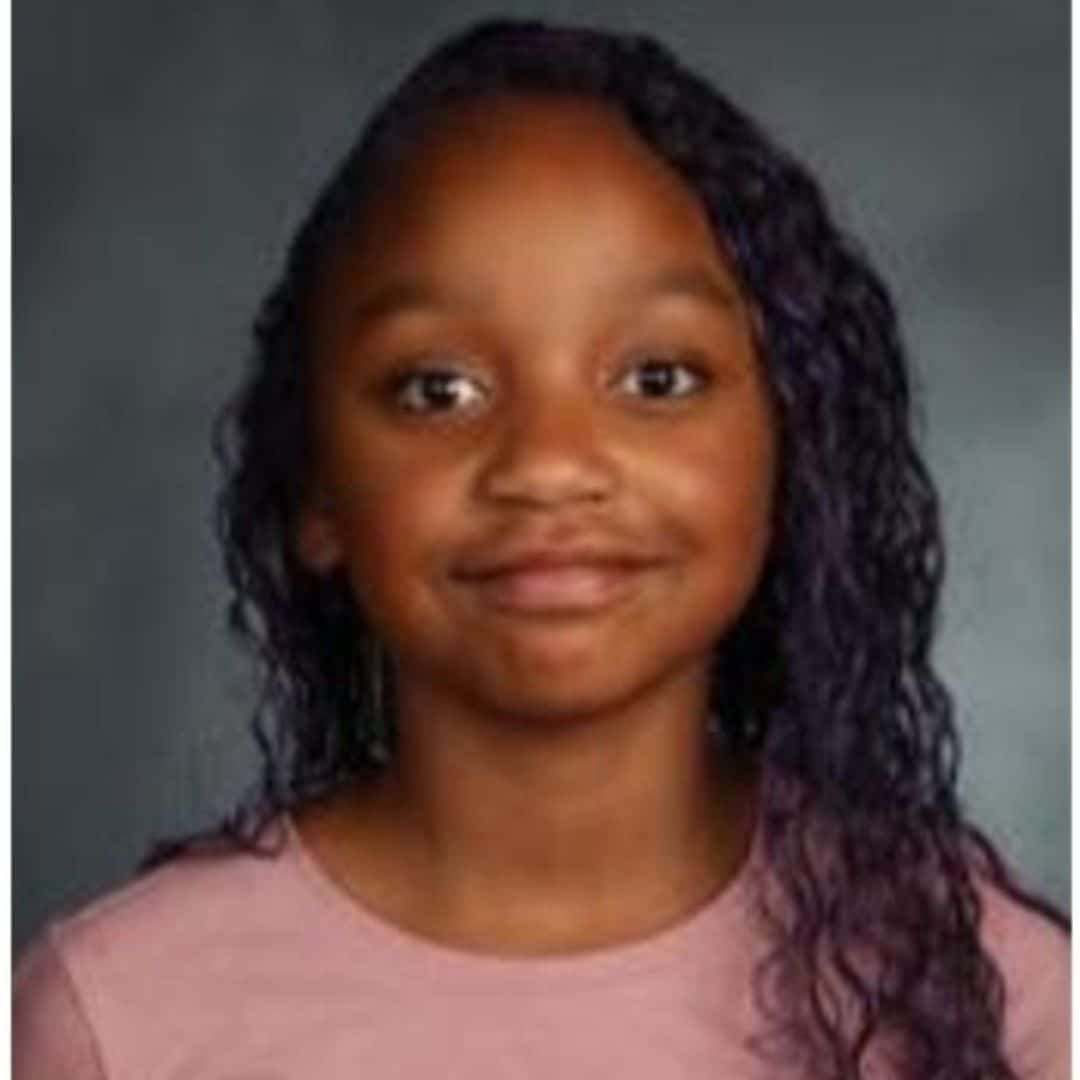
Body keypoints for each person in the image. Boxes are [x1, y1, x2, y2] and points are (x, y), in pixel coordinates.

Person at [13, 18, 1068, 1079]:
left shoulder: (994, 1004)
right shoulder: (116, 1021)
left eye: (658, 380)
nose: (549, 463)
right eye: (438, 390)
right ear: (315, 490)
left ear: (790, 455)